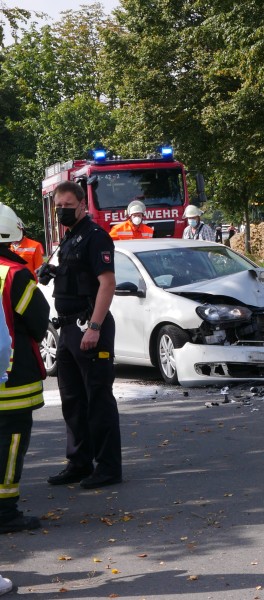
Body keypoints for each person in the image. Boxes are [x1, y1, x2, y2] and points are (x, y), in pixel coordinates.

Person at [43, 180, 121, 489]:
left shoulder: (95, 237)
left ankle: (108, 467)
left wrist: (95, 327)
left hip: (88, 327)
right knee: (72, 399)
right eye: (58, 207)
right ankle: (79, 462)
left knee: (98, 398)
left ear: (81, 206)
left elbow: (108, 283)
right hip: (68, 329)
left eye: (67, 206)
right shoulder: (70, 238)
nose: (62, 211)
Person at [0, 204, 50, 533]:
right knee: (11, 441)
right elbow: (38, 320)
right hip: (12, 377)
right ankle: (5, 513)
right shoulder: (14, 274)